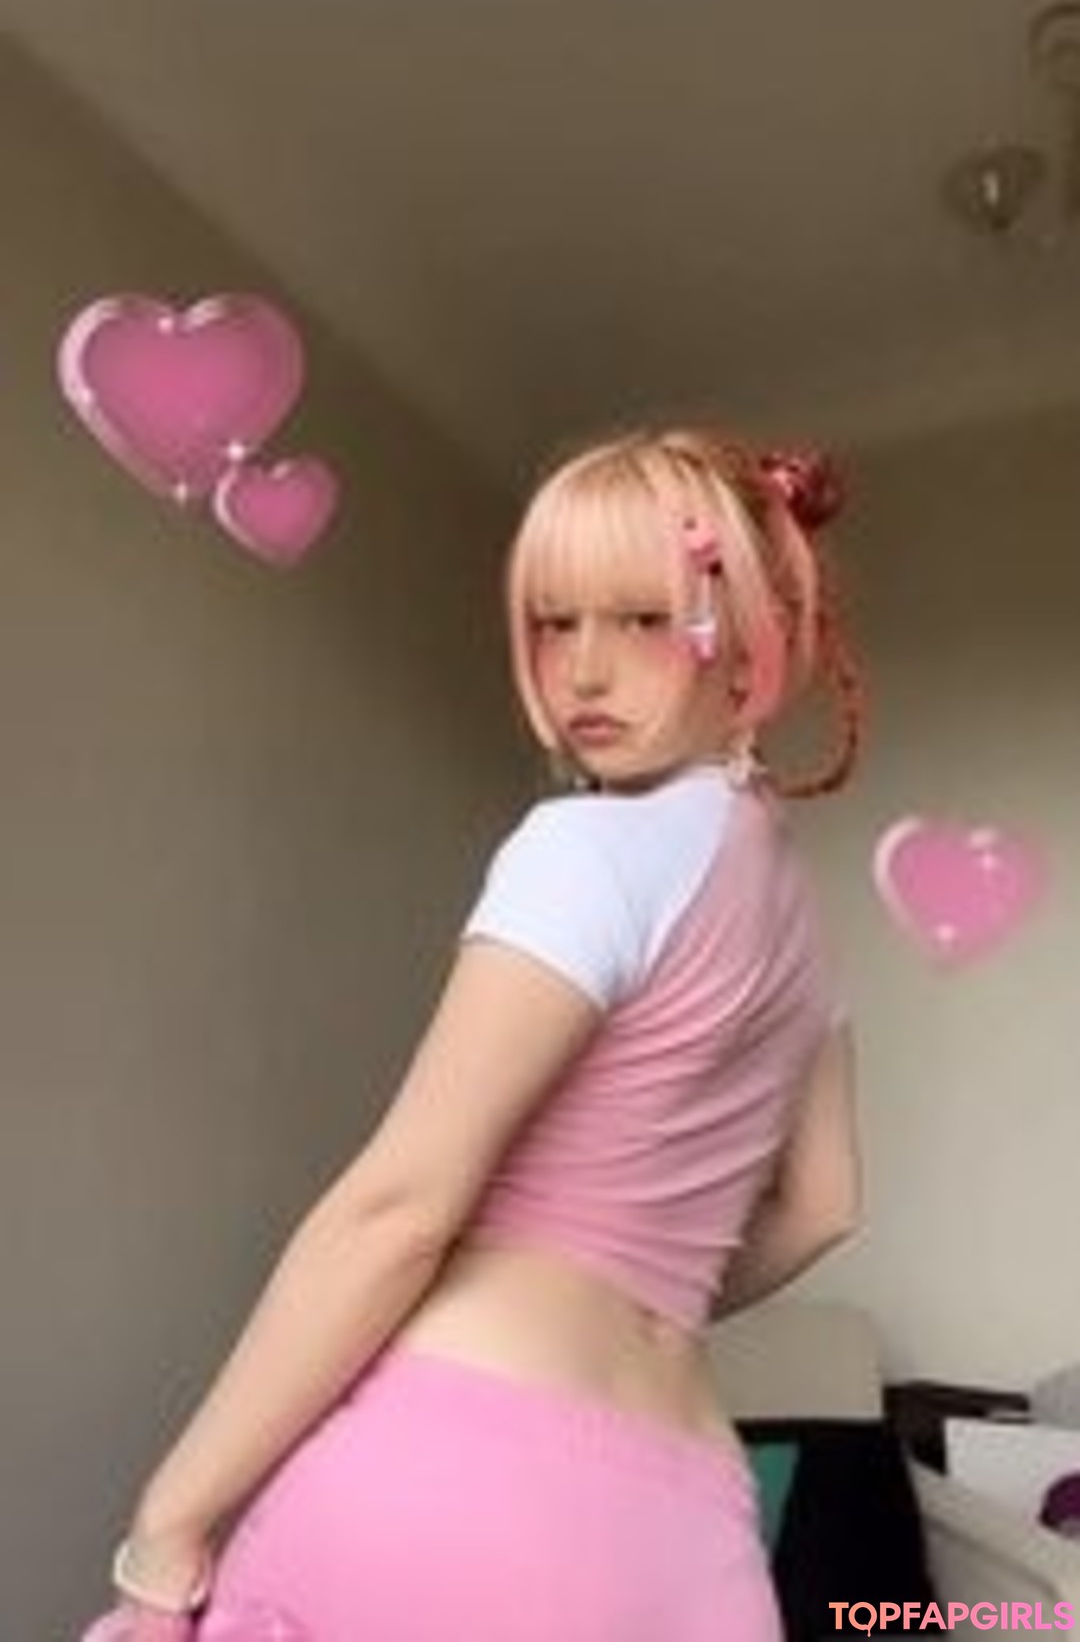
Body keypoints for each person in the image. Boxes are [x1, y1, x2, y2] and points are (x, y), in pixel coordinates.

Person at [83, 424, 864, 1642]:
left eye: (643, 620)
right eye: (554, 622)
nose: (585, 671)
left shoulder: (588, 846)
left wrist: (169, 1525)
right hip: (692, 1531)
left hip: (467, 1470)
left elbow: (398, 1211)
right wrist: (631, 1292)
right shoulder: (803, 918)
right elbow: (823, 1208)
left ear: (750, 638)